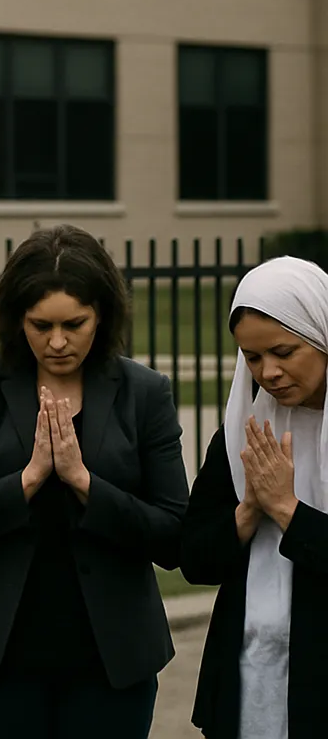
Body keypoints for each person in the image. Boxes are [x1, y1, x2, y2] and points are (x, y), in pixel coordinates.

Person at [0, 225, 189, 739]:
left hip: (111, 663)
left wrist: (84, 482)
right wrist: (27, 480)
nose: (58, 341)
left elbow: (173, 533)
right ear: (16, 319)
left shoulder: (145, 394)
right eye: (40, 324)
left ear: (103, 315)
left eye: (75, 323)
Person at [181, 256, 328, 739]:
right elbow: (196, 560)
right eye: (252, 356)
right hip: (246, 675)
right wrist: (247, 510)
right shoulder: (244, 430)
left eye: (285, 352)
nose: (269, 372)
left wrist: (287, 510)